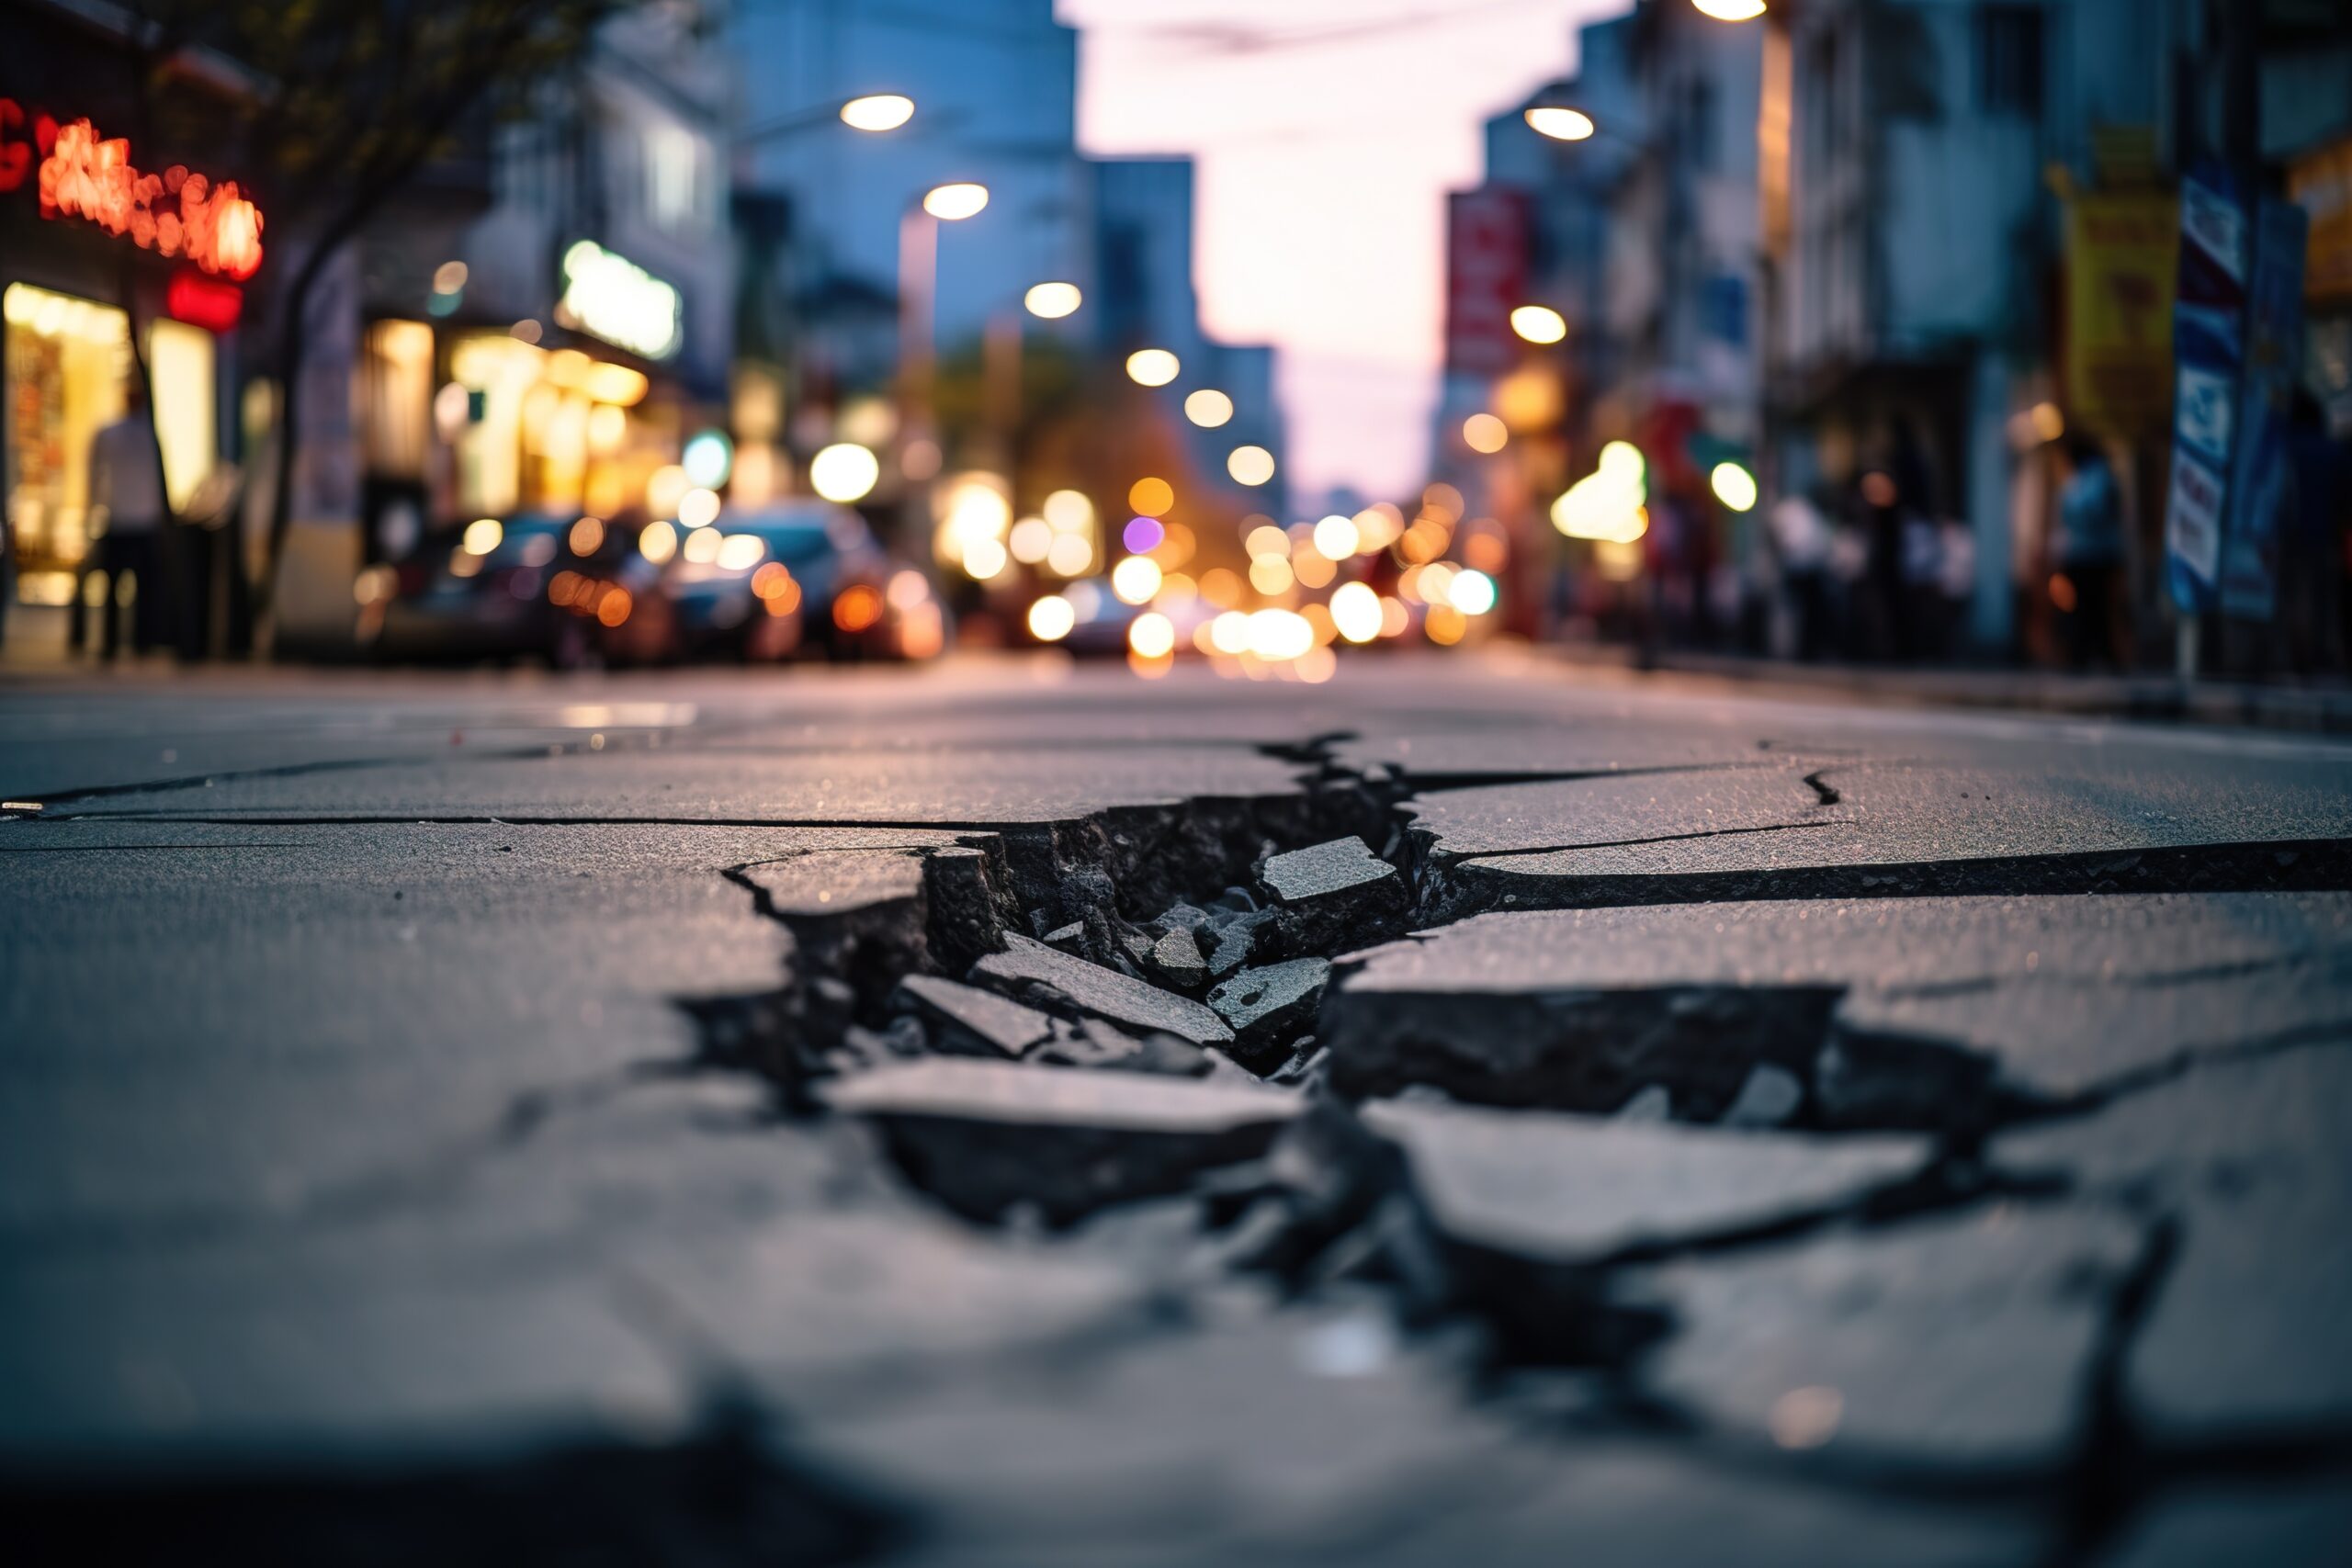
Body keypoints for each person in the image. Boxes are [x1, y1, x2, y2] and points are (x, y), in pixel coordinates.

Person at [85, 381, 168, 660]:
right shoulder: (124, 435)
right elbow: (95, 474)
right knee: (126, 587)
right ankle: (128, 644)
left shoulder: (139, 435)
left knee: (133, 587)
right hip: (126, 518)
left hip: (132, 518)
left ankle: (128, 644)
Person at [2052, 434, 2125, 670]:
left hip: (2091, 554)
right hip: (2090, 553)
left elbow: (2083, 512)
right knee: (2090, 607)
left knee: (2091, 607)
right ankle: (2090, 654)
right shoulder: (2088, 477)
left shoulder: (2092, 478)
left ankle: (2092, 655)